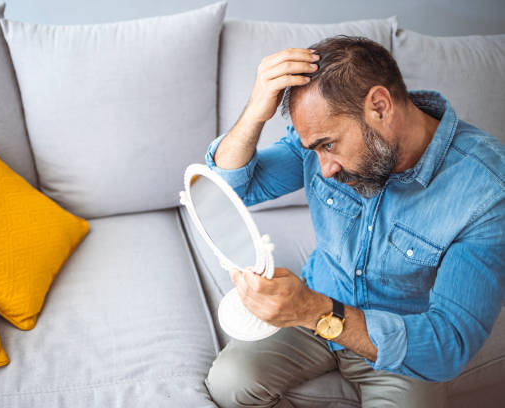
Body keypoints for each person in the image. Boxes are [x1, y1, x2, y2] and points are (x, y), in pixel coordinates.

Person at [203, 35, 505, 408]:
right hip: (317, 301)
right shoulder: (318, 139)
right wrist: (253, 113)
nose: (324, 170)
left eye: (329, 145)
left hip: (399, 342)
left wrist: (313, 309)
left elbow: (447, 345)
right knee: (230, 383)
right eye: (314, 149)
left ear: (380, 105)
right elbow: (233, 188)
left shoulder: (485, 192)